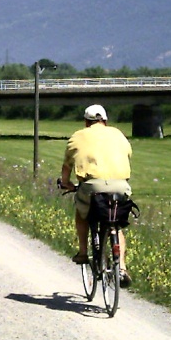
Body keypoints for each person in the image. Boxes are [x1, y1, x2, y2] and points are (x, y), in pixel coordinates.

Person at [60, 104, 133, 287]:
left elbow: (67, 165)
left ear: (86, 122)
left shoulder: (78, 136)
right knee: (116, 224)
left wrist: (66, 183)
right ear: (105, 121)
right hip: (120, 184)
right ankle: (122, 267)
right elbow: (128, 154)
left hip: (92, 185)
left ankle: (83, 252)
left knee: (82, 211)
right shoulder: (118, 134)